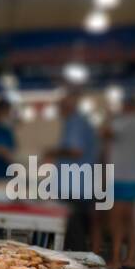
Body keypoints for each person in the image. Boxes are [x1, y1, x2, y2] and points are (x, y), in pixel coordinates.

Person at [96, 92, 135, 269]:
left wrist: (108, 116)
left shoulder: (122, 123)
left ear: (127, 106)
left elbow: (103, 132)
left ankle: (116, 260)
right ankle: (132, 258)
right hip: (134, 177)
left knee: (115, 221)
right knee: (131, 220)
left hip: (118, 177)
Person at [50, 89, 100, 251]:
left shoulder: (75, 122)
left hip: (73, 186)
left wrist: (52, 151)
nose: (59, 111)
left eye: (60, 107)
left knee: (74, 233)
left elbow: (75, 150)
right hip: (79, 184)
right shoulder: (80, 122)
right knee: (76, 232)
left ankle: (79, 268)